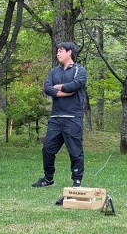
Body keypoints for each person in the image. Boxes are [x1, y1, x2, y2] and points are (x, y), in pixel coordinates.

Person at [32, 42, 88, 189]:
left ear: (70, 52)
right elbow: (47, 88)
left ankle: (77, 181)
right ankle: (48, 179)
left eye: (61, 51)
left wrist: (60, 88)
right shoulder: (54, 72)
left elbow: (76, 85)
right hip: (56, 118)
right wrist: (64, 91)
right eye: (57, 51)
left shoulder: (79, 70)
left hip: (73, 118)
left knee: (75, 151)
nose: (58, 53)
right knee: (48, 149)